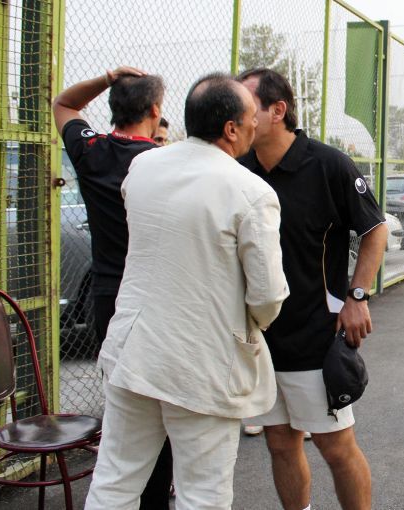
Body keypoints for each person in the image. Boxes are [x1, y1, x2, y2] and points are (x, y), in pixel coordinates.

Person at [84, 73, 289, 509]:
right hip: (203, 364)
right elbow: (268, 296)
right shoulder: (252, 192)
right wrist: (253, 322)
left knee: (115, 480)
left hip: (133, 352)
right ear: (231, 128)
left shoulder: (144, 167)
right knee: (203, 494)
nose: (255, 125)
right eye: (250, 118)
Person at [236, 68, 387, 510]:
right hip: (259, 341)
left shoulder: (328, 164)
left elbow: (375, 229)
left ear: (277, 110)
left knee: (336, 447)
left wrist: (357, 297)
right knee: (280, 443)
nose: (236, 115)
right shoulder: (239, 169)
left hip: (316, 337)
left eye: (246, 105)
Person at [52, 67, 174, 509]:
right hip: (160, 298)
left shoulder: (93, 150)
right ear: (155, 110)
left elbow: (63, 103)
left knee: (124, 407)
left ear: (112, 107)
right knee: (163, 408)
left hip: (110, 299)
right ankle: (156, 496)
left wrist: (107, 77)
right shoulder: (163, 163)